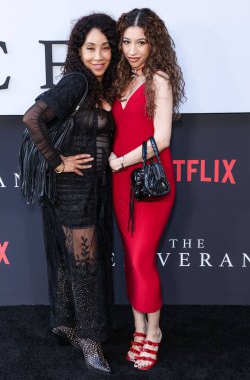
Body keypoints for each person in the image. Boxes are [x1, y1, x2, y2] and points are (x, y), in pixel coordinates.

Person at [22, 13, 119, 375]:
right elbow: (32, 118)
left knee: (67, 261)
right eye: (90, 47)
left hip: (87, 190)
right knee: (84, 266)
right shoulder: (77, 81)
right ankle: (91, 342)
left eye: (106, 47)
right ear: (78, 50)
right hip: (72, 190)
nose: (99, 55)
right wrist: (58, 162)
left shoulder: (96, 86)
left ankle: (63, 323)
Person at [109, 8, 185, 371]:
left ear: (154, 42)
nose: (133, 49)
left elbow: (163, 138)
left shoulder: (159, 80)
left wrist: (121, 161)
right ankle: (137, 328)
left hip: (150, 182)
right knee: (130, 257)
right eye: (126, 41)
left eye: (141, 41)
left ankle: (154, 332)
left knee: (141, 258)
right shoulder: (121, 80)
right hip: (120, 184)